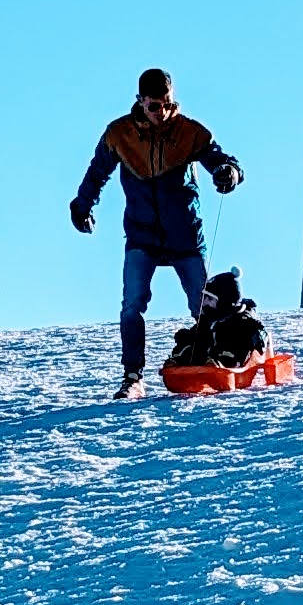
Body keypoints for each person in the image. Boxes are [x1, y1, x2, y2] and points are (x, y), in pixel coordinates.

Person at [71, 68, 242, 396]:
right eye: (153, 106)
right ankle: (133, 376)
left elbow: (221, 159)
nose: (161, 112)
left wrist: (228, 172)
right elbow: (97, 173)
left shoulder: (188, 131)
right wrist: (82, 206)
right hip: (142, 236)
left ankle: (215, 362)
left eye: (166, 104)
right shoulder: (119, 135)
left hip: (185, 236)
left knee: (202, 304)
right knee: (132, 303)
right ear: (140, 102)